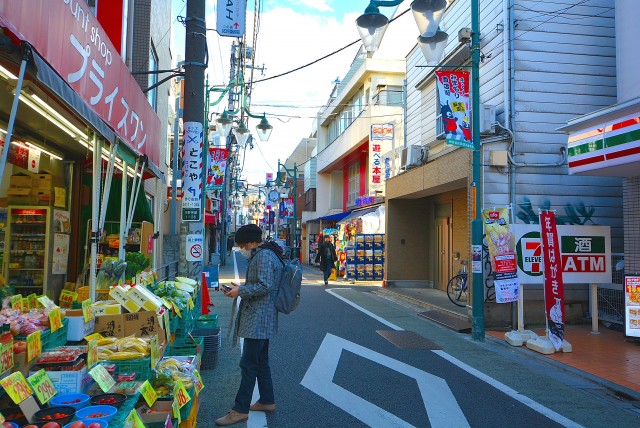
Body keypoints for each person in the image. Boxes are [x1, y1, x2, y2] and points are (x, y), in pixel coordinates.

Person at [215, 224, 284, 426]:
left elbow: (264, 285)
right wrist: (241, 288)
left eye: (243, 245)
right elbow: (264, 284)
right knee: (261, 362)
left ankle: (239, 410)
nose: (243, 249)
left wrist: (240, 291)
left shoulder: (263, 256)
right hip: (264, 317)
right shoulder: (270, 253)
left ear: (251, 242)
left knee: (248, 365)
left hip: (259, 318)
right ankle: (267, 400)